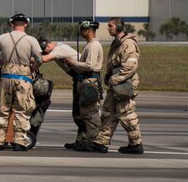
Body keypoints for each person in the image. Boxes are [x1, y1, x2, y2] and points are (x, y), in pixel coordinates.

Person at [87, 17, 144, 154]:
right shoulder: (117, 43)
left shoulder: (128, 43)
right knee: (109, 113)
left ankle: (136, 143)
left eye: (110, 26)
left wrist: (115, 79)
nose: (108, 28)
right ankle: (102, 142)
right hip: (116, 83)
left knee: (126, 113)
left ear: (119, 27)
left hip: (124, 83)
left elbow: (130, 65)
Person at [0, 13, 42, 150]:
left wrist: (2, 63)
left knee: (2, 109)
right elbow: (40, 59)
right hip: (23, 78)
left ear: (12, 24)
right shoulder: (31, 40)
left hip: (6, 76)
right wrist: (32, 69)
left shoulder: (3, 38)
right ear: (26, 24)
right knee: (22, 110)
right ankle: (19, 142)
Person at [59, 20, 105, 151]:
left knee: (91, 114)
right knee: (84, 113)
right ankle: (84, 140)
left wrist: (73, 63)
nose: (80, 31)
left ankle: (94, 142)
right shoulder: (89, 45)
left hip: (89, 82)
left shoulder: (93, 45)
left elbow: (89, 66)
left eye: (82, 29)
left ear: (89, 30)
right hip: (85, 82)